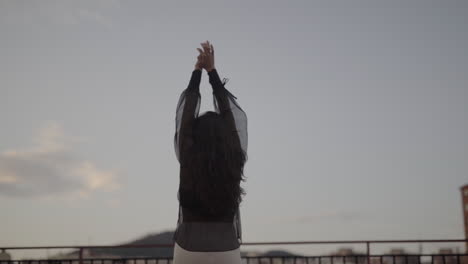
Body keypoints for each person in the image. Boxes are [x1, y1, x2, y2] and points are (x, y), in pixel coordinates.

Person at [172, 40, 248, 264]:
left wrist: (197, 73)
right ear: (228, 138)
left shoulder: (188, 154)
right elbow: (230, 116)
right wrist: (212, 73)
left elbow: (185, 119)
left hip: (188, 249)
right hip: (227, 250)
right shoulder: (234, 157)